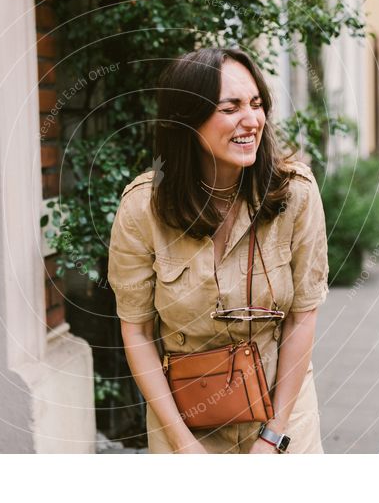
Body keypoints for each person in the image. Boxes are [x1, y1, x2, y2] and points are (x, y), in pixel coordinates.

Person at [107, 47, 329, 454]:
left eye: (257, 104)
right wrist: (183, 445)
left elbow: (303, 316)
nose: (251, 121)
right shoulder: (143, 207)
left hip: (282, 411)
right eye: (230, 108)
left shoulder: (296, 192)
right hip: (184, 419)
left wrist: (274, 435)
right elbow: (136, 331)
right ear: (186, 121)